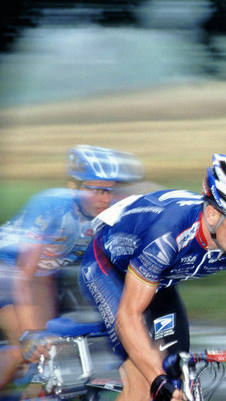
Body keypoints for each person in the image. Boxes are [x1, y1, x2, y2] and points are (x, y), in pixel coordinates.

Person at [78, 154, 226, 401]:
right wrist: (157, 380)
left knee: (178, 380)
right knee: (146, 386)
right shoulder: (168, 235)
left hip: (156, 280)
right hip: (106, 268)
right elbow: (128, 316)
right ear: (213, 214)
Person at [0, 145, 142, 390]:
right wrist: (28, 334)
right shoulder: (50, 205)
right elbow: (25, 274)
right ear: (73, 187)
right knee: (25, 350)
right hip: (9, 272)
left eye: (111, 190)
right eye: (96, 190)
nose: (105, 199)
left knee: (49, 356)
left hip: (43, 278)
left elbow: (47, 278)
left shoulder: (107, 217)